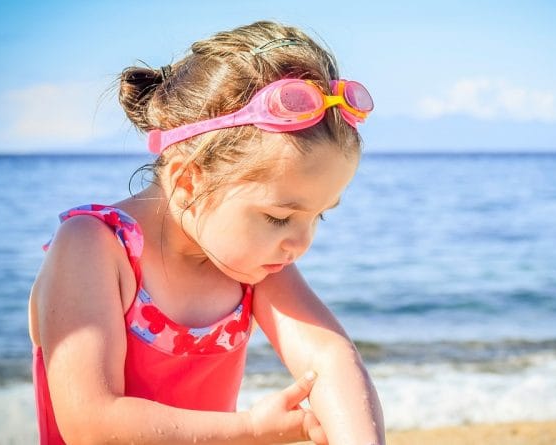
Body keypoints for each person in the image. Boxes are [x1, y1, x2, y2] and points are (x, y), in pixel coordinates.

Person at [28, 20, 384, 445]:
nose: (301, 243)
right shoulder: (93, 248)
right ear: (188, 181)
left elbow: (330, 359)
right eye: (278, 217)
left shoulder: (250, 263)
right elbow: (91, 424)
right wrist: (251, 430)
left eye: (318, 216)